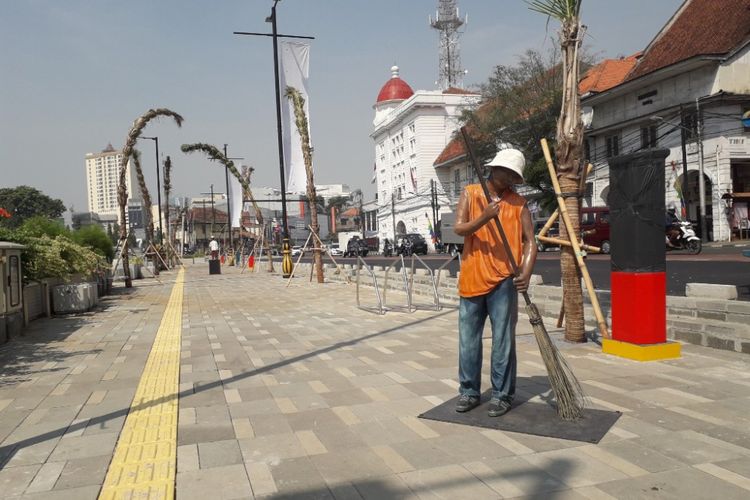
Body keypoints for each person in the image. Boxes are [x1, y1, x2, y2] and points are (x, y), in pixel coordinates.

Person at [452, 148, 537, 417]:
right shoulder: (471, 193)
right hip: (472, 277)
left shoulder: (518, 203)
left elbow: (530, 242)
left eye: (514, 175)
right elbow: (459, 229)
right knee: (468, 340)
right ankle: (469, 391)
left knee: (503, 339)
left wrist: (525, 272)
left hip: (504, 280)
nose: (510, 178)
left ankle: (502, 394)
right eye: (507, 172)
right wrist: (484, 217)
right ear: (494, 169)